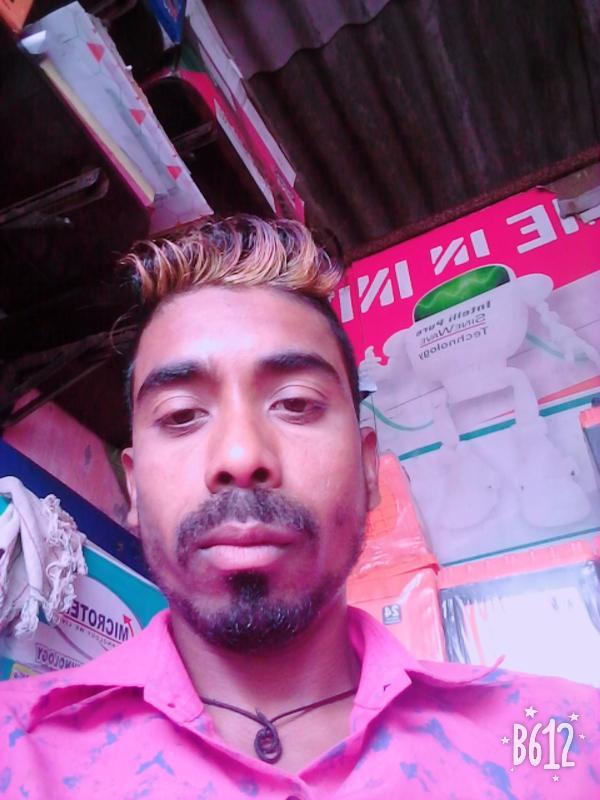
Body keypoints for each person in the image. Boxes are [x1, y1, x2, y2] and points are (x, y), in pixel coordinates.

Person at [0, 216, 598, 799]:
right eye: (181, 415)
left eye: (295, 403)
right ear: (133, 490)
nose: (240, 455)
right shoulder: (18, 750)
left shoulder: (564, 748)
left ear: (369, 468)